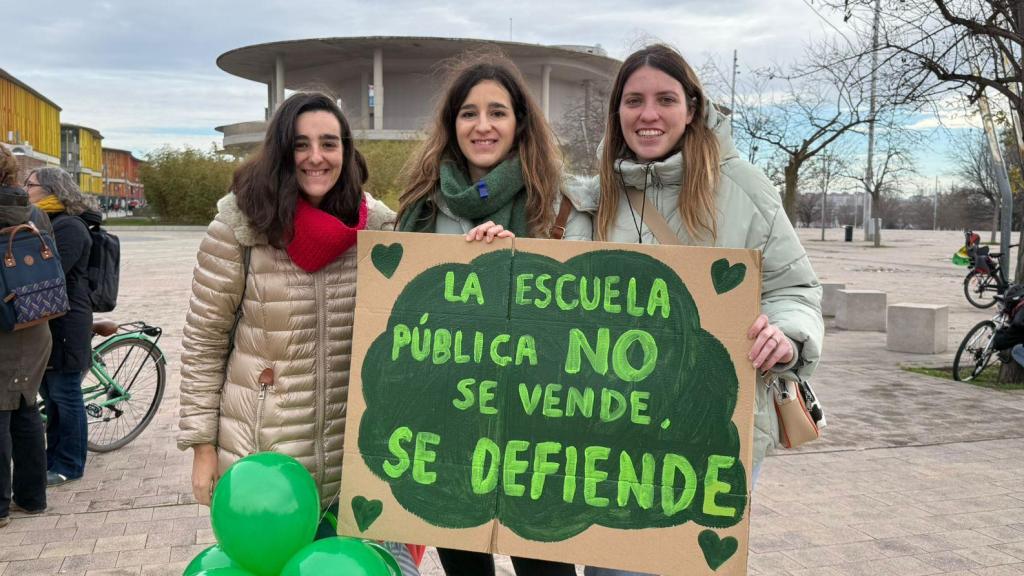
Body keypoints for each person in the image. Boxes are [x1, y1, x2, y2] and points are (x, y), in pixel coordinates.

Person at [567, 44, 824, 576]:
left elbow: (794, 288)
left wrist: (786, 334)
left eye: (665, 98)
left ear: (692, 107)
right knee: (610, 566)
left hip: (711, 430)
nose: (649, 114)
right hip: (613, 432)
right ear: (617, 112)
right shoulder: (593, 200)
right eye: (633, 100)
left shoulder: (743, 189)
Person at [177, 92, 419, 574]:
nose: (315, 157)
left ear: (346, 152)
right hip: (268, 470)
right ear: (280, 150)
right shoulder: (239, 227)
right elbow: (204, 343)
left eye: (329, 144)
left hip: (357, 460)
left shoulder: (379, 227)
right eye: (301, 144)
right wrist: (202, 448)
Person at [396, 53, 589, 576]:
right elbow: (401, 312)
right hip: (449, 430)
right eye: (468, 113)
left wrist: (516, 266)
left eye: (498, 112)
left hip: (537, 431)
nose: (483, 126)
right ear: (451, 124)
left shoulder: (557, 206)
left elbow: (582, 323)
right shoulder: (423, 207)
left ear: (519, 122)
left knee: (546, 570)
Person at [26, 167, 102, 487]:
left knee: (65, 393)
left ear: (50, 189)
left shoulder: (69, 225)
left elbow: (54, 270)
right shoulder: (45, 222)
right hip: (50, 320)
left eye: (30, 185)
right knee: (51, 392)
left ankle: (70, 463)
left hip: (68, 321)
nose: (24, 189)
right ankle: (53, 455)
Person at [0, 146, 50, 525]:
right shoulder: (34, 213)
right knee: (25, 405)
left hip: (3, 326)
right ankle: (32, 498)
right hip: (34, 321)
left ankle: (1, 506)